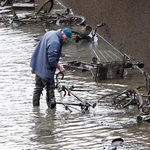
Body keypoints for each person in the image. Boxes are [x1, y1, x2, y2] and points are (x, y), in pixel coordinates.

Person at [30, 28, 72, 109]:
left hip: (38, 65)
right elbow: (52, 60)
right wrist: (60, 68)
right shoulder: (55, 42)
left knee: (38, 88)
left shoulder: (51, 33)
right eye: (66, 39)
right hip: (45, 69)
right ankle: (52, 112)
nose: (66, 41)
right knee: (50, 89)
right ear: (62, 33)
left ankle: (35, 109)